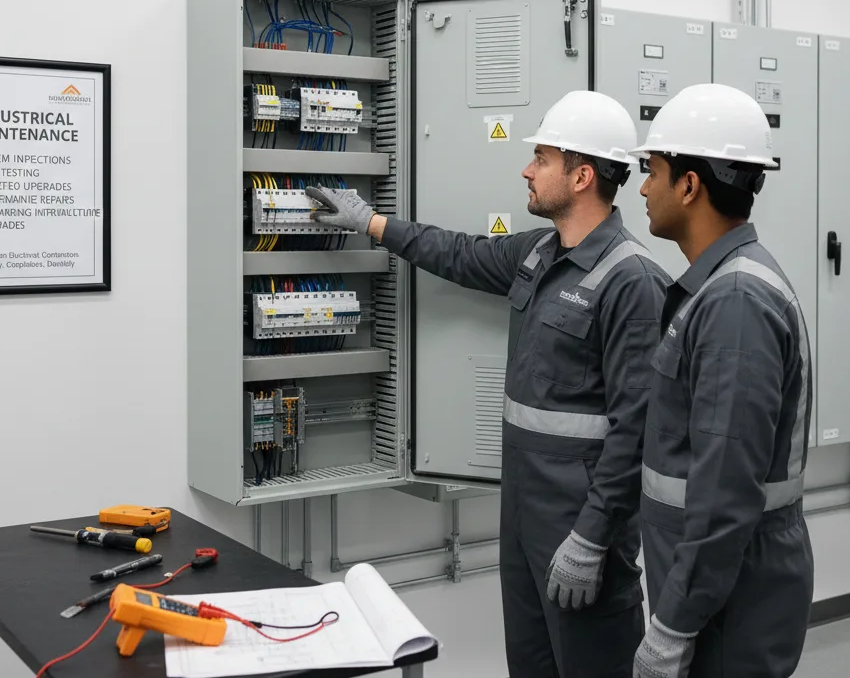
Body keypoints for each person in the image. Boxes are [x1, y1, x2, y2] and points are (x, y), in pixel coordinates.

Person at [306, 90, 671, 678]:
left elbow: (638, 431)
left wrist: (592, 540)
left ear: (581, 176)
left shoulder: (632, 282)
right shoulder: (538, 252)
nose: (527, 169)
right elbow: (459, 253)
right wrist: (370, 223)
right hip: (524, 512)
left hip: (580, 525)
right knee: (530, 666)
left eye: (542, 159)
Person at [628, 84, 815, 678]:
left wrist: (673, 625)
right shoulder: (719, 287)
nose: (643, 187)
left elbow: (726, 492)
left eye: (651, 170)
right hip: (716, 587)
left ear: (689, 185)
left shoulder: (735, 302)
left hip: (728, 602)